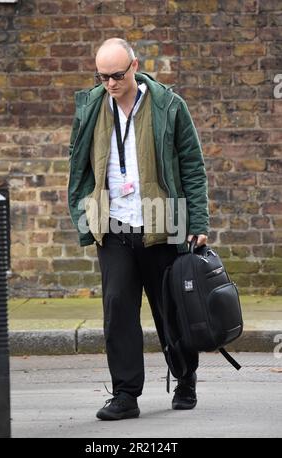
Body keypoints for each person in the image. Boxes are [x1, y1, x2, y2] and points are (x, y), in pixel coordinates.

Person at [68, 38, 209, 421]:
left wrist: (197, 223)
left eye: (116, 75)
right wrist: (85, 215)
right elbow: (78, 166)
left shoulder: (168, 106)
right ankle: (125, 395)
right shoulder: (92, 107)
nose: (109, 83)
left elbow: (193, 168)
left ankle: (185, 377)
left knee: (170, 310)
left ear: (134, 66)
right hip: (113, 225)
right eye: (101, 76)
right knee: (117, 309)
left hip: (163, 222)